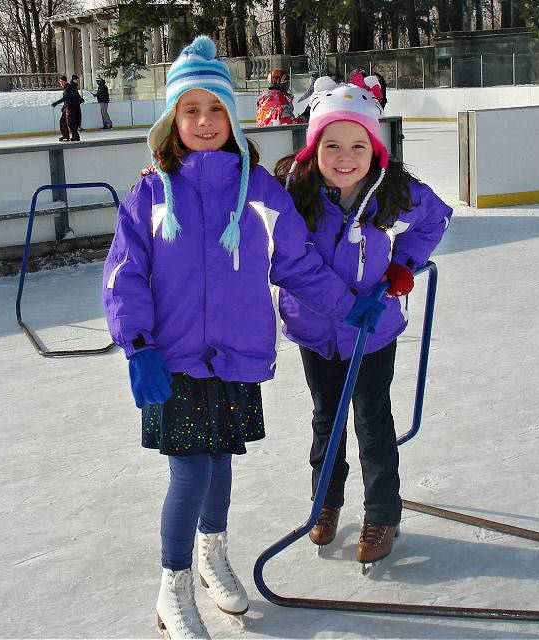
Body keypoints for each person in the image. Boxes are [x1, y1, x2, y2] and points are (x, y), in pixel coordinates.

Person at [102, 36, 371, 639]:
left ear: (232, 114)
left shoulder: (260, 193)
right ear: (174, 119)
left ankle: (210, 553)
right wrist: (137, 344)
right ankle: (171, 585)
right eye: (190, 110)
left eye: (215, 109)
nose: (203, 122)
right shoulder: (149, 193)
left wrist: (348, 306)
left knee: (220, 463)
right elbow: (125, 275)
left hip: (236, 357)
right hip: (171, 360)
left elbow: (297, 265)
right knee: (190, 473)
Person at [274, 74, 452, 567]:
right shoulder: (292, 192)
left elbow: (436, 217)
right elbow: (286, 260)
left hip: (372, 333)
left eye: (358, 145)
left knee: (373, 421)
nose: (345, 156)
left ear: (375, 149)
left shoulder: (390, 190)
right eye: (331, 144)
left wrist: (402, 265)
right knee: (326, 419)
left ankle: (382, 514)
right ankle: (325, 503)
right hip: (315, 329)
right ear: (313, 148)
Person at [52, 75, 83, 141]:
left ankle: (76, 136)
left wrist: (56, 103)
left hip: (71, 107)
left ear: (64, 81)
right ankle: (65, 135)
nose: (60, 83)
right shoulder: (68, 87)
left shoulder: (68, 88)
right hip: (68, 107)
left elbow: (66, 98)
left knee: (70, 122)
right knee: (63, 120)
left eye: (61, 81)